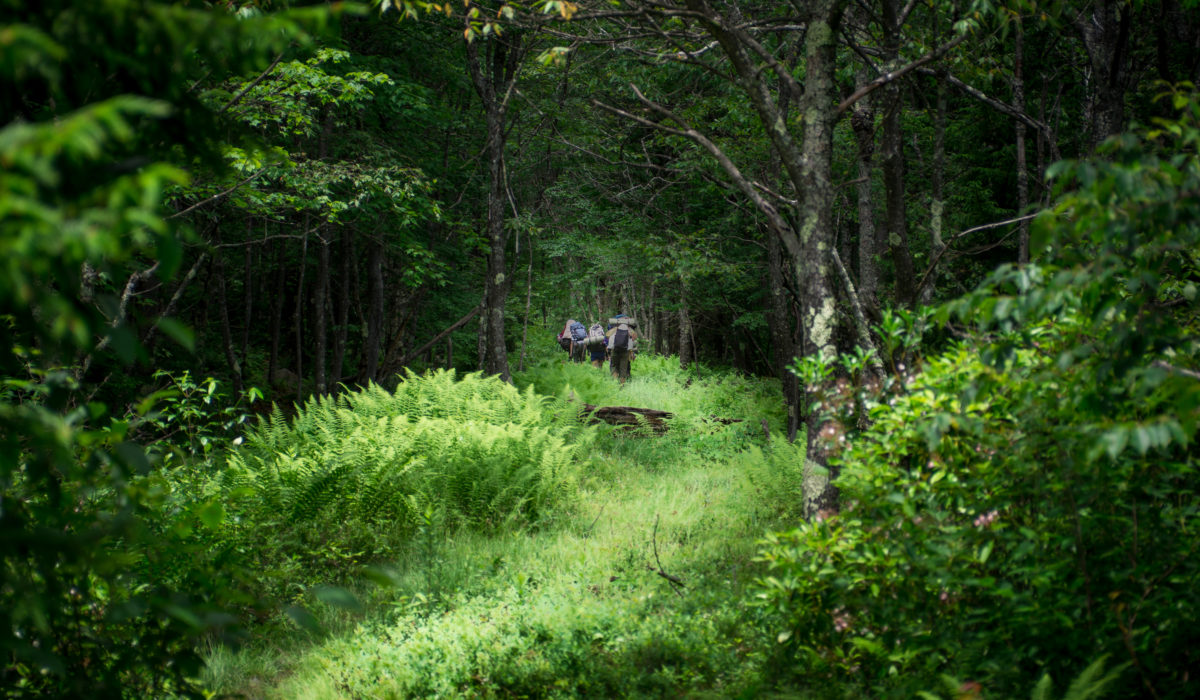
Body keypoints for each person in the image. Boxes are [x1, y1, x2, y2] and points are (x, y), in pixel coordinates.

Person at [605, 316, 638, 384]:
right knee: (623, 369)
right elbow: (635, 338)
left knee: (614, 366)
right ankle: (622, 385)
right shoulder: (630, 330)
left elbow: (607, 336)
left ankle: (614, 383)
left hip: (615, 350)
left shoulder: (614, 329)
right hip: (625, 351)